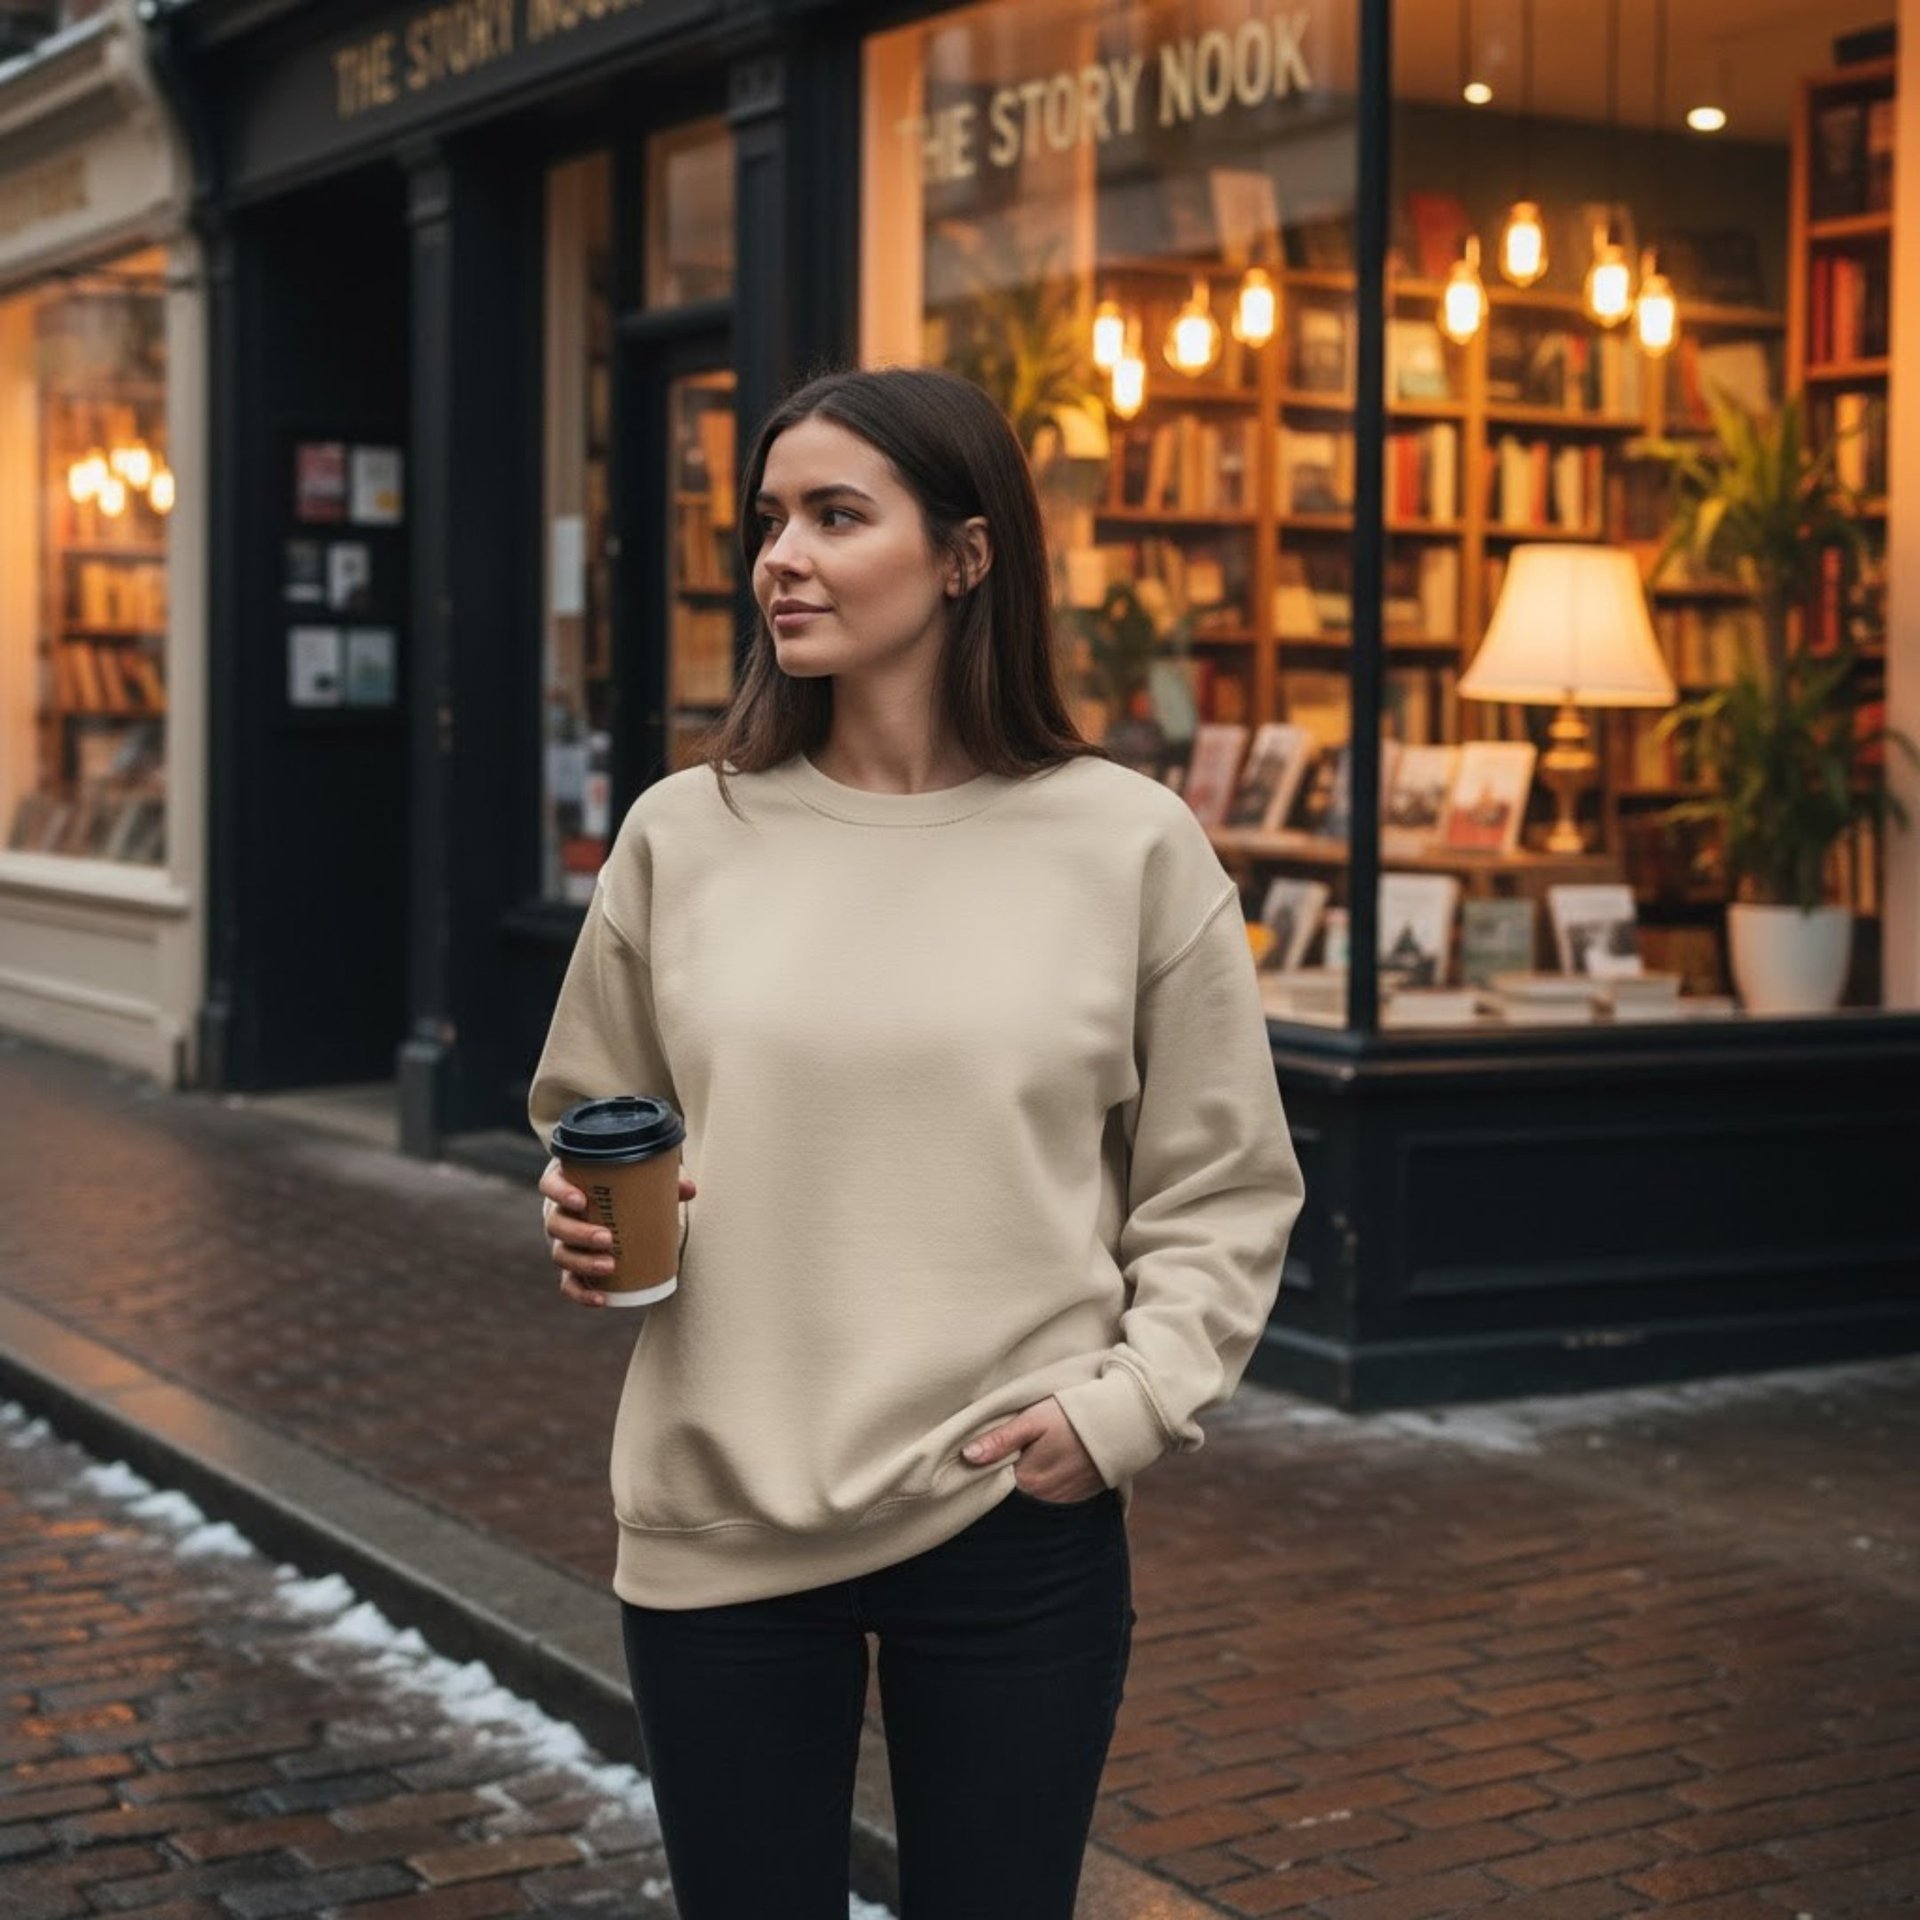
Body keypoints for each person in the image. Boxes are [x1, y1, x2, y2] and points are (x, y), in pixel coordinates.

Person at [528, 365, 1304, 1920]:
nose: (779, 560)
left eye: (834, 516)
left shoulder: (1126, 841)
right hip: (723, 1499)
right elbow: (592, 1112)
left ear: (965, 553)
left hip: (1013, 1505)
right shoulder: (690, 832)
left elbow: (1222, 1185)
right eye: (768, 522)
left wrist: (1133, 1405)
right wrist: (581, 1209)